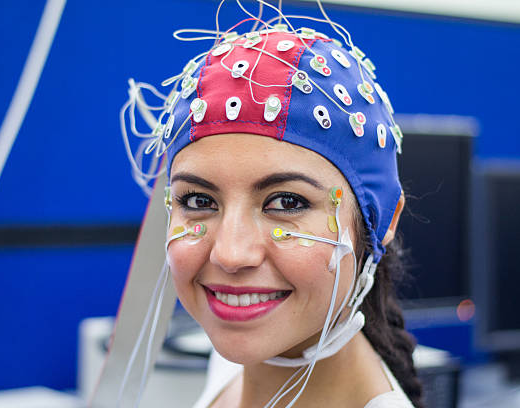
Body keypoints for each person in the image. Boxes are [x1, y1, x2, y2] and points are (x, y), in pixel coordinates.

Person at [120, 1, 423, 406]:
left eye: (287, 201)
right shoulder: (235, 353)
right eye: (198, 199)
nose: (230, 254)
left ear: (383, 219)